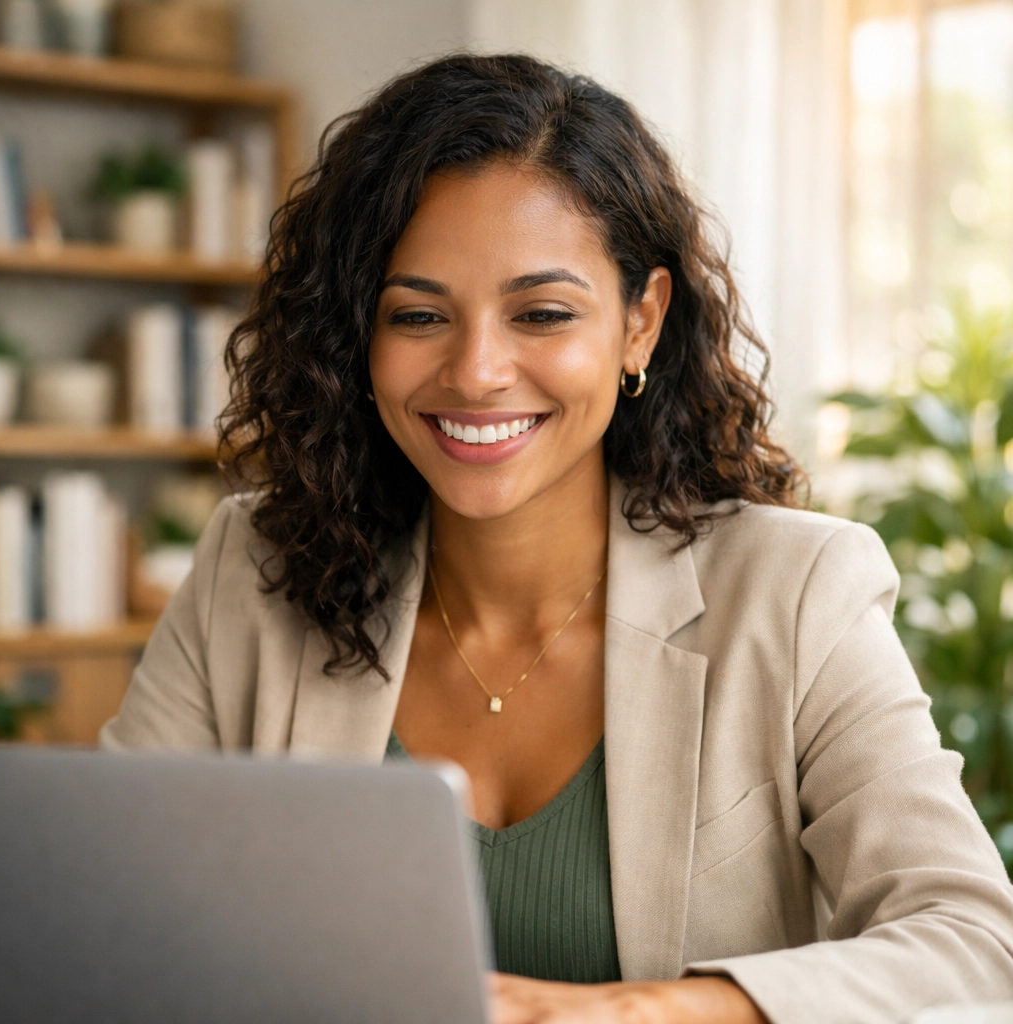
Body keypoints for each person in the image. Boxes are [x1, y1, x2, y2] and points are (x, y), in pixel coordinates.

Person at [101, 53, 1013, 1024]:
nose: (478, 370)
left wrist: (634, 1011)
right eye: (418, 314)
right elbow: (103, 905)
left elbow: (970, 942)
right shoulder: (252, 569)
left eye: (541, 313)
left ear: (639, 323)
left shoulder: (797, 592)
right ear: (355, 337)